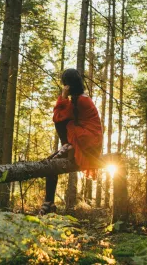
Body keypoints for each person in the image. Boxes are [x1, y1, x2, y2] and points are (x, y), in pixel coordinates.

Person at [39, 68, 103, 215]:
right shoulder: (79, 99)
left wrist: (63, 95)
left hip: (87, 142)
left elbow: (58, 116)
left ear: (68, 84)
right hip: (87, 140)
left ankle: (48, 203)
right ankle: (49, 203)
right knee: (51, 162)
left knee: (61, 122)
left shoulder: (80, 101)